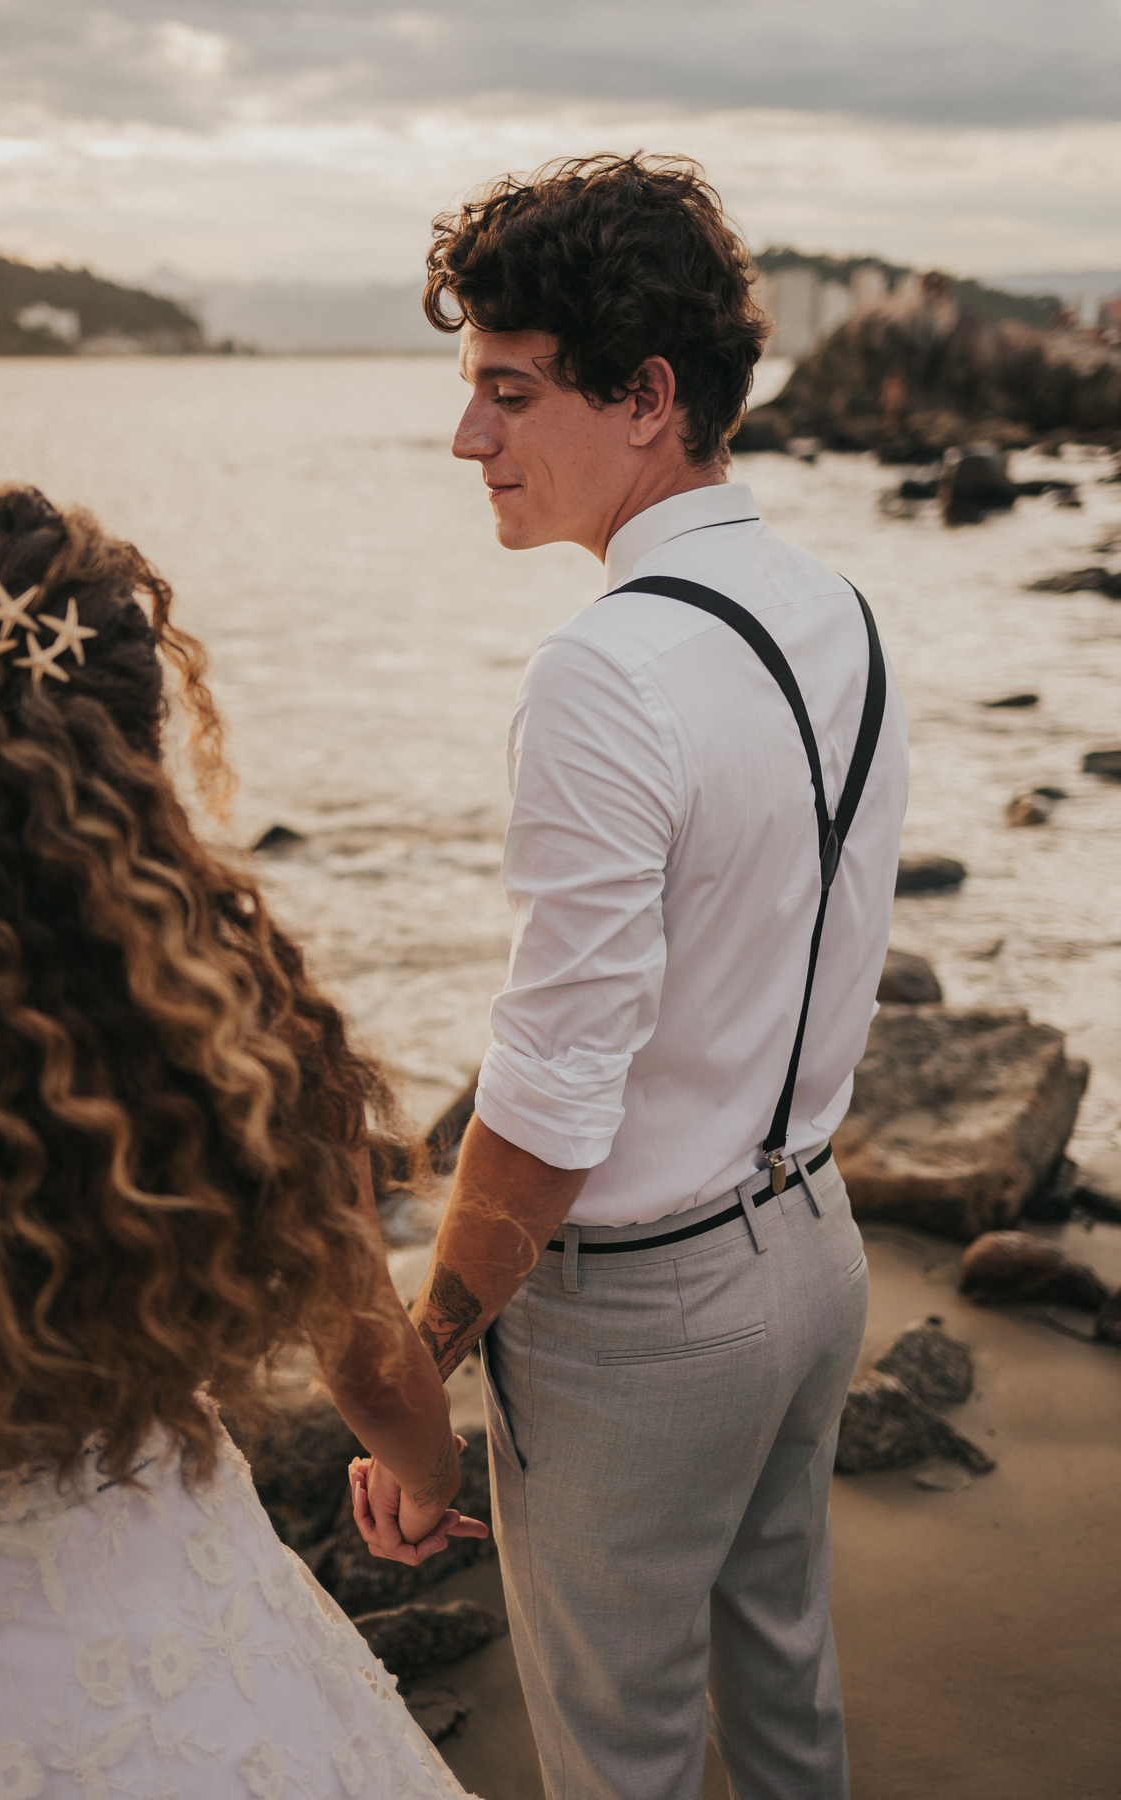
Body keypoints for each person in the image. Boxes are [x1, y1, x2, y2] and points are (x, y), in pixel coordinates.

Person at [353, 155, 910, 1799]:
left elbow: (554, 1083)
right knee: (787, 1700)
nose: (473, 442)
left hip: (649, 1314)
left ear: (648, 395)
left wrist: (421, 1360)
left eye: (509, 395)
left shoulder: (604, 669)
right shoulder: (841, 610)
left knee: (622, 1760)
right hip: (812, 1246)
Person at [0, 484, 485, 1800]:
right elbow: (372, 1363)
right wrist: (428, 1475)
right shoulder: (239, 1024)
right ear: (135, 743)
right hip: (173, 1618)